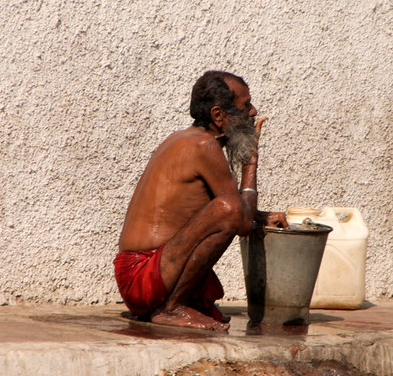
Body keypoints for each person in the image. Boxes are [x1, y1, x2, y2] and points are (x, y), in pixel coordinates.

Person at [114, 71, 288, 331]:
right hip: (143, 275)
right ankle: (172, 308)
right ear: (219, 116)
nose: (252, 112)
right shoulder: (204, 145)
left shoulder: (188, 138)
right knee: (229, 210)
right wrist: (251, 159)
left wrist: (261, 216)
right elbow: (237, 219)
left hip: (146, 271)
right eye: (245, 105)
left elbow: (223, 212)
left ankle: (173, 304)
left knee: (229, 208)